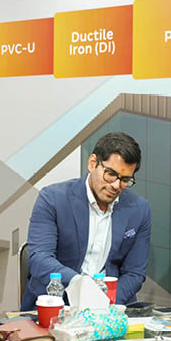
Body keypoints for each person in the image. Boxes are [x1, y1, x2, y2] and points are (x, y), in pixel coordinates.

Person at [21, 131, 151, 310]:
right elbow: (40, 259)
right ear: (92, 163)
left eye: (125, 179)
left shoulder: (139, 209)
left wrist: (104, 304)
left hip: (110, 307)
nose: (116, 185)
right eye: (110, 174)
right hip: (57, 304)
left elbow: (134, 273)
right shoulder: (52, 199)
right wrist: (81, 286)